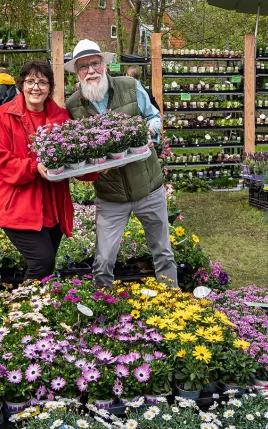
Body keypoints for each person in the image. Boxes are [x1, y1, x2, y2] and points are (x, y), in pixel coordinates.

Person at [64, 39, 178, 288]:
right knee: (103, 260)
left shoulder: (130, 86)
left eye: (95, 63)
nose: (91, 71)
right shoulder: (73, 105)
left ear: (104, 65)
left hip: (149, 187)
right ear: (77, 73)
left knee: (163, 252)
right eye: (83, 67)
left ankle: (174, 301)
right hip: (110, 195)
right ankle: (103, 309)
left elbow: (154, 116)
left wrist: (151, 131)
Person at [0, 61, 73, 281]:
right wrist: (35, 167)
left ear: (50, 87)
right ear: (21, 85)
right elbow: (1, 161)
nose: (36, 88)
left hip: (52, 206)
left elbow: (72, 155)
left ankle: (37, 310)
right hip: (19, 205)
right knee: (42, 263)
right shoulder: (4, 116)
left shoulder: (61, 117)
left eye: (42, 82)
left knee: (45, 267)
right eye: (30, 82)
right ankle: (21, 310)